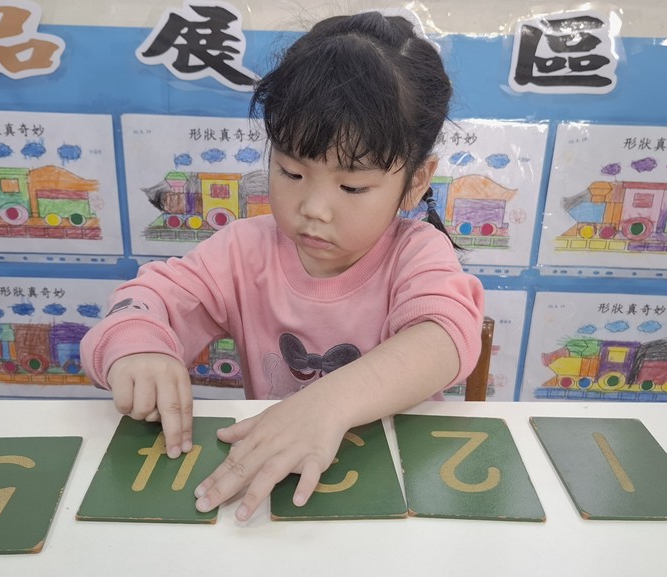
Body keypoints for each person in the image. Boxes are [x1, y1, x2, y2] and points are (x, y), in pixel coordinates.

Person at [79, 11, 484, 522]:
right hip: (278, 488)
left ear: (417, 180)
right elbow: (148, 301)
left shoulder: (417, 253)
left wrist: (327, 403)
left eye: (352, 186)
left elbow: (443, 339)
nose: (314, 208)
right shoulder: (243, 251)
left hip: (401, 490)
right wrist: (137, 346)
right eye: (291, 171)